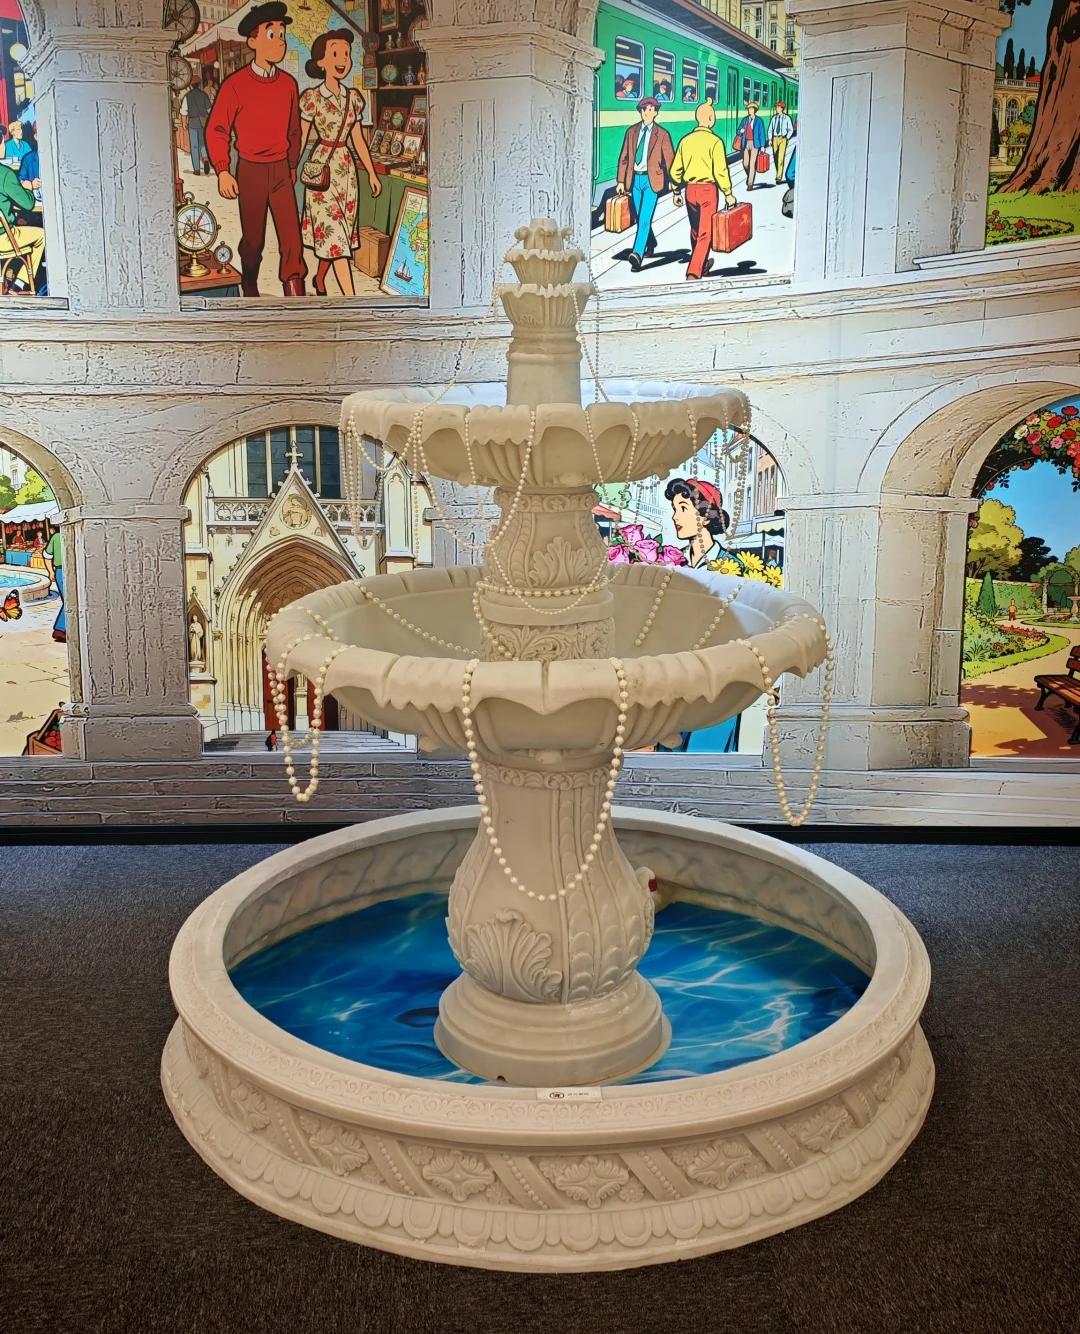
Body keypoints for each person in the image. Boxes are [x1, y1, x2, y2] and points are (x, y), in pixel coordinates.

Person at [205, 2, 306, 297]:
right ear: (253, 41)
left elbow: (294, 130)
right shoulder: (235, 85)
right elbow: (217, 129)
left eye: (282, 35)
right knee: (253, 241)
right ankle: (249, 286)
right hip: (250, 171)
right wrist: (223, 170)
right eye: (272, 35)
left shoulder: (288, 84)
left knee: (292, 240)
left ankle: (297, 301)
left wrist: (291, 164)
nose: (280, 42)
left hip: (281, 171)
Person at [299, 29, 382, 297]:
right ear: (321, 62)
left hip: (347, 172)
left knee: (339, 237)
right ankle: (352, 300)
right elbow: (301, 137)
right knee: (335, 236)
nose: (343, 59)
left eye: (346, 54)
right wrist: (289, 168)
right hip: (322, 171)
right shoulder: (311, 98)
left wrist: (371, 173)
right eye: (335, 54)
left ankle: (319, 279)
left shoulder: (353, 98)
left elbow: (358, 140)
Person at [669, 99, 736, 282]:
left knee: (695, 230)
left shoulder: (685, 141)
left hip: (690, 190)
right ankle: (693, 272)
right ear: (711, 119)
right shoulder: (715, 142)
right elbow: (721, 171)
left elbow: (675, 170)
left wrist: (676, 191)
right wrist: (728, 193)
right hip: (708, 191)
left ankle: (702, 263)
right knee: (705, 233)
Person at [615, 96, 674, 272]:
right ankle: (651, 242)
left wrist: (674, 185)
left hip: (651, 181)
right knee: (640, 217)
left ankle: (637, 254)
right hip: (634, 179)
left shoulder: (662, 134)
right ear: (640, 111)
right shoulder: (631, 132)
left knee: (644, 218)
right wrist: (620, 181)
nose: (647, 113)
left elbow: (670, 161)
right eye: (644, 109)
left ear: (656, 113)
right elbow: (624, 157)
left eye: (651, 110)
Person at [664, 476, 732, 567]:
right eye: (675, 509)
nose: (674, 517)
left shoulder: (732, 565)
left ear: (706, 517)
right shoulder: (674, 560)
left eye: (683, 508)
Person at [0, 162, 44, 293]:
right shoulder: (5, 174)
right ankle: (18, 284)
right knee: (43, 235)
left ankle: (8, 277)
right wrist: (28, 188)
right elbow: (28, 204)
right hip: (3, 238)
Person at [180, 76, 213, 175]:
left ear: (191, 85)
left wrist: (184, 124)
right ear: (199, 84)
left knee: (194, 146)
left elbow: (183, 112)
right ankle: (205, 159)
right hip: (203, 123)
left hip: (193, 123)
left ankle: (197, 169)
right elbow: (210, 111)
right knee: (202, 144)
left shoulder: (187, 96)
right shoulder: (204, 95)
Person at [735, 101, 767, 190]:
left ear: (755, 110)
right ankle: (750, 175)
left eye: (751, 109)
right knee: (745, 164)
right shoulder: (745, 120)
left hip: (755, 144)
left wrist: (762, 146)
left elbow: (761, 133)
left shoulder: (759, 121)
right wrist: (740, 131)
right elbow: (738, 130)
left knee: (752, 164)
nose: (749, 110)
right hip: (746, 143)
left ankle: (750, 184)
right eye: (749, 109)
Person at [41, 527, 65, 644]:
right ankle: (60, 629)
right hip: (61, 569)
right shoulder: (56, 537)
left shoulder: (56, 537)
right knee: (69, 600)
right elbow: (47, 555)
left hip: (62, 570)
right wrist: (50, 571)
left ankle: (62, 629)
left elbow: (46, 555)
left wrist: (51, 571)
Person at [767, 102, 794, 182]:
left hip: (783, 139)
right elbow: (770, 129)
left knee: (781, 158)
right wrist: (770, 139)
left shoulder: (787, 118)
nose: (777, 109)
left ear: (782, 109)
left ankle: (779, 177)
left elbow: (791, 129)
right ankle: (778, 172)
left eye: (778, 107)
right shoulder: (774, 118)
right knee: (775, 157)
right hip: (775, 139)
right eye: (777, 107)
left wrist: (787, 138)